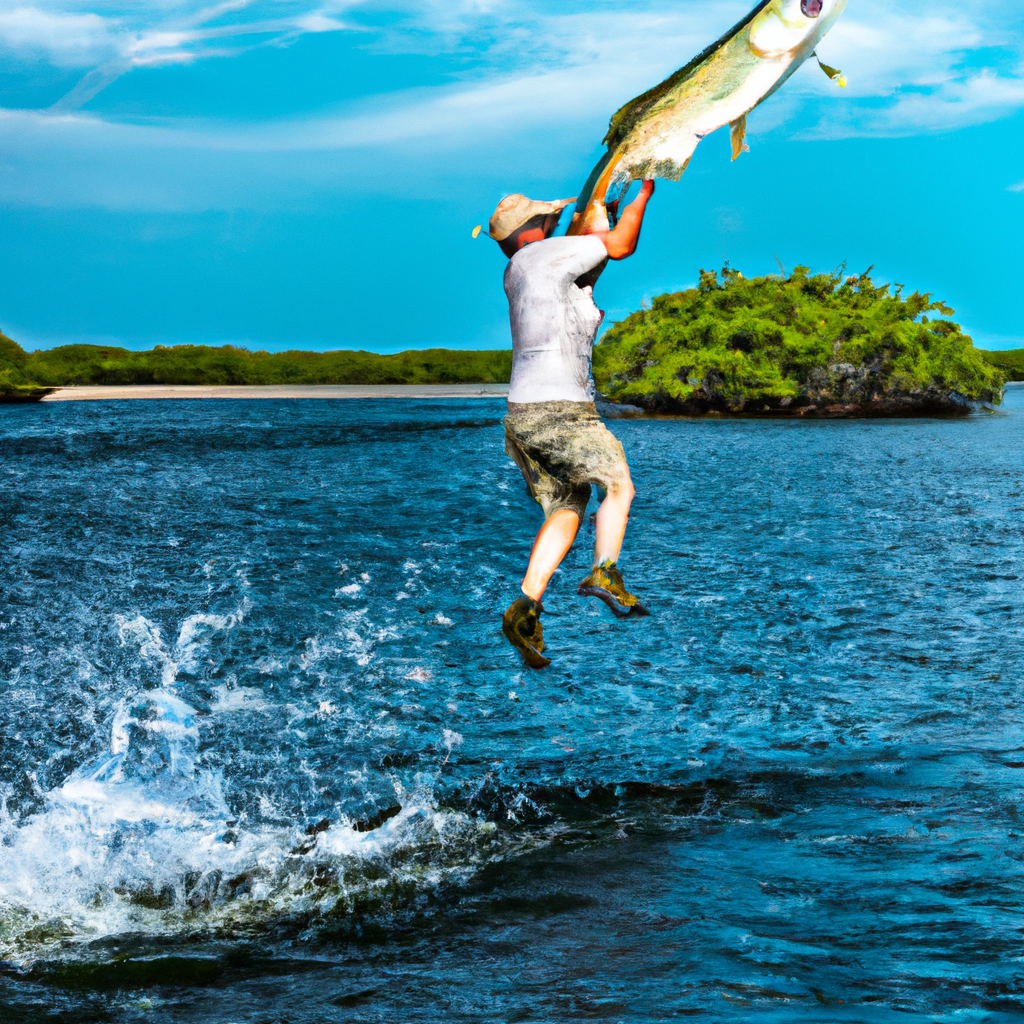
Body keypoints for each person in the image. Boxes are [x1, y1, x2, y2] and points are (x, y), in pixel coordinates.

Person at [488, 180, 655, 669]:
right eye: (550, 222)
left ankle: (526, 605)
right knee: (619, 484)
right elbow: (620, 246)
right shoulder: (541, 258)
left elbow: (591, 264)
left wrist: (610, 212)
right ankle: (604, 571)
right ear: (530, 232)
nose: (558, 226)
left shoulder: (522, 272)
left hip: (522, 419)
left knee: (567, 502)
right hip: (560, 410)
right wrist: (643, 194)